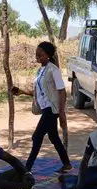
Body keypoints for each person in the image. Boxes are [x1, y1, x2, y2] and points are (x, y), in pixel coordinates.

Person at [13, 41, 72, 173]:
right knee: (53, 137)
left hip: (52, 108)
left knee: (37, 136)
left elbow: (61, 91)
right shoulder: (40, 70)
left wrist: (61, 112)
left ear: (48, 55)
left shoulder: (54, 70)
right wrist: (22, 92)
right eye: (36, 54)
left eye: (40, 54)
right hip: (45, 108)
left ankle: (27, 168)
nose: (37, 57)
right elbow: (40, 91)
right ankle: (67, 163)